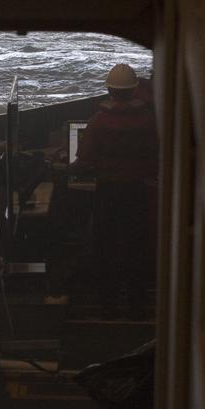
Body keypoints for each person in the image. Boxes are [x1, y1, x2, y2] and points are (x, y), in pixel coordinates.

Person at [72, 63, 159, 316]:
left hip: (107, 193)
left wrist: (65, 167)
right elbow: (156, 153)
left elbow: (85, 162)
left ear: (109, 89)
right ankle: (138, 306)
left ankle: (107, 305)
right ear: (134, 91)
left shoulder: (99, 122)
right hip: (137, 193)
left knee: (105, 250)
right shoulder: (148, 121)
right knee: (136, 249)